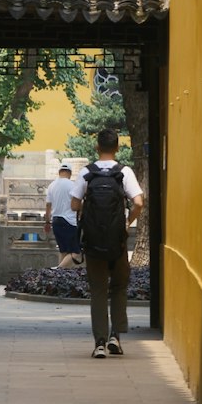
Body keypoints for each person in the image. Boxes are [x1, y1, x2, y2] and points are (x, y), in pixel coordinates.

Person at [69, 126, 144, 358]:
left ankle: (99, 342)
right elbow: (139, 202)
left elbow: (74, 204)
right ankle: (115, 337)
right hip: (117, 242)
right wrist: (126, 222)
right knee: (119, 287)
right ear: (117, 147)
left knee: (99, 290)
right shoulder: (124, 172)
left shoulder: (87, 172)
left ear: (97, 147)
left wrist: (91, 213)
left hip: (93, 242)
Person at [43, 161, 83, 269]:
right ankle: (57, 270)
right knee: (75, 252)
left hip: (56, 221)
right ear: (69, 173)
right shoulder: (72, 185)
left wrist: (47, 222)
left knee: (63, 251)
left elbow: (48, 206)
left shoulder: (52, 186)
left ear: (59, 172)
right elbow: (79, 203)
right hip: (69, 221)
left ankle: (59, 278)